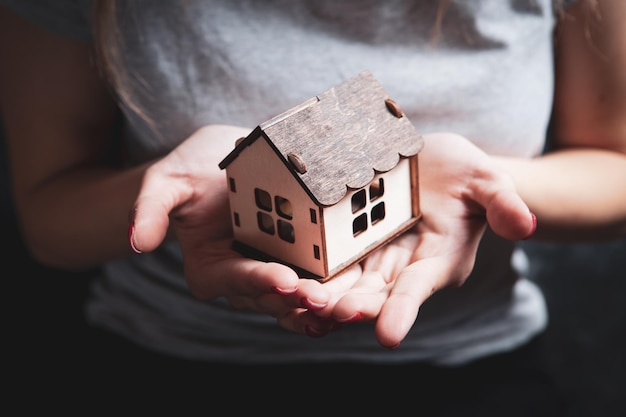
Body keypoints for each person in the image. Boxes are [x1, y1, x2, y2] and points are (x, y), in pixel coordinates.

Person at [1, 0, 625, 413]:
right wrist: (165, 194)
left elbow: (616, 167)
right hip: (162, 364)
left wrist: (484, 188)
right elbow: (49, 222)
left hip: (476, 366)